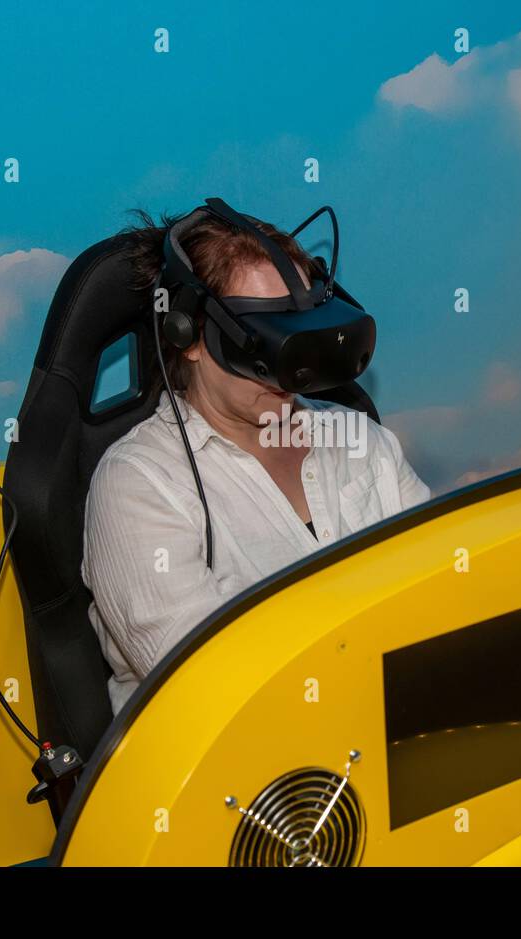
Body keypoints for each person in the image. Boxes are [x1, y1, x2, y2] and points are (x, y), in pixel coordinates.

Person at [81, 209, 430, 713]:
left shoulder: (361, 441)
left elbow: (441, 588)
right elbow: (210, 690)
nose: (287, 363)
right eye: (261, 334)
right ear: (192, 335)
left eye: (297, 327)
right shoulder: (137, 485)